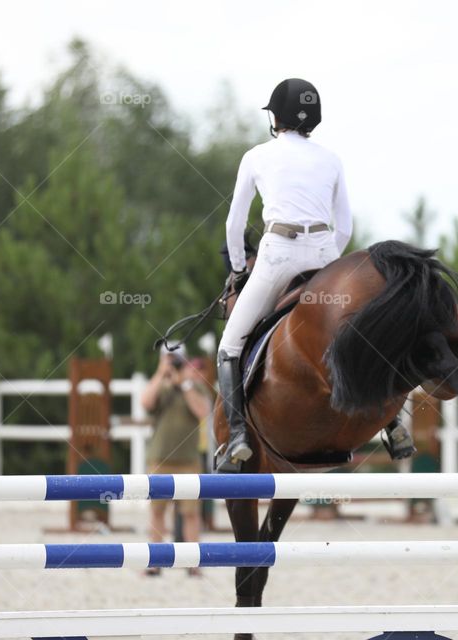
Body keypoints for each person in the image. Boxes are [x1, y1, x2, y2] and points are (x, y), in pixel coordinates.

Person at [215, 78, 353, 473]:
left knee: (229, 345)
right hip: (325, 253)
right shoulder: (332, 159)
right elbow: (344, 226)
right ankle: (393, 423)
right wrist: (328, 268)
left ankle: (238, 435)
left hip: (278, 255)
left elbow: (233, 224)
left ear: (275, 117)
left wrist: (240, 270)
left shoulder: (257, 155)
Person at [141, 346, 210, 575]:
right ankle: (155, 562)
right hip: (160, 458)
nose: (175, 364)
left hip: (188, 460)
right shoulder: (160, 385)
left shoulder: (195, 385)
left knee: (191, 513)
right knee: (157, 512)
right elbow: (146, 402)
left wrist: (185, 383)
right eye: (171, 359)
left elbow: (202, 411)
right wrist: (162, 374)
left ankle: (193, 563)